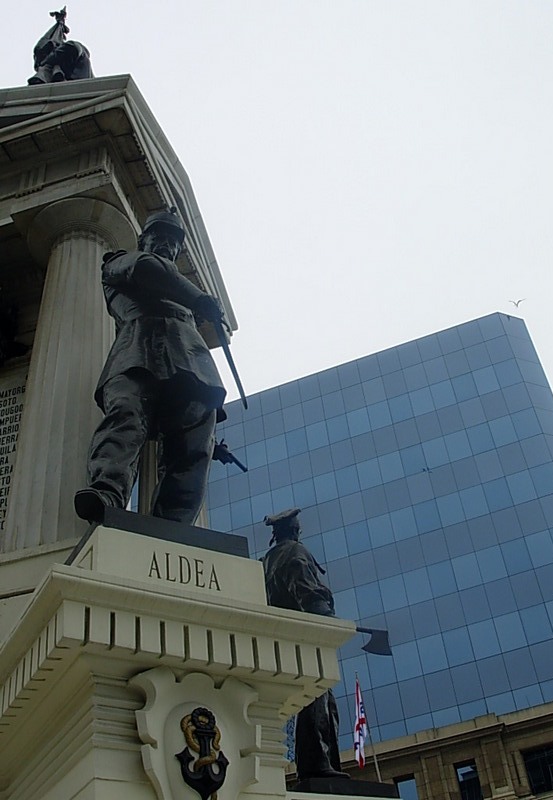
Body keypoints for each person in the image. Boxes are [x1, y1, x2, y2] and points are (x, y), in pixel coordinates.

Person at [74, 208, 226, 525]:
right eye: (160, 237)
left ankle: (174, 524)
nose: (167, 246)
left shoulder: (179, 291)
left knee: (194, 448)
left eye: (173, 242)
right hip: (137, 354)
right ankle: (107, 493)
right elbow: (148, 270)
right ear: (144, 239)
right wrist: (200, 299)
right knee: (125, 418)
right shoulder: (121, 263)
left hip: (190, 365)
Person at [262, 508, 348, 783]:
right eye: (297, 529)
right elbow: (307, 590)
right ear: (293, 532)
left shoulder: (267, 560)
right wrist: (327, 620)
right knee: (317, 700)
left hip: (282, 640)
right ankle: (317, 764)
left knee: (317, 701)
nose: (299, 532)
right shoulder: (295, 554)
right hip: (306, 638)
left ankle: (317, 763)